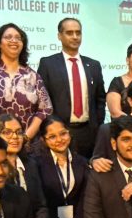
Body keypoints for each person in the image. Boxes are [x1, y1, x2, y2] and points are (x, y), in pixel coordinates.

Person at [36, 18, 106, 158]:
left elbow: (100, 99)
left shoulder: (93, 65)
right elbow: (42, 100)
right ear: (59, 36)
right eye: (69, 33)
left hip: (89, 132)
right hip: (59, 132)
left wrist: (97, 125)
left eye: (78, 33)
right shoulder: (48, 64)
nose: (75, 37)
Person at [0, 23, 53, 145]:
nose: (14, 40)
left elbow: (45, 109)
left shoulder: (32, 75)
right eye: (8, 37)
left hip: (26, 146)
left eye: (18, 38)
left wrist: (25, 138)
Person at [0, 114, 55, 218]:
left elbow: (40, 206)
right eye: (7, 132)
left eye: (19, 132)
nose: (15, 137)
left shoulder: (31, 164)